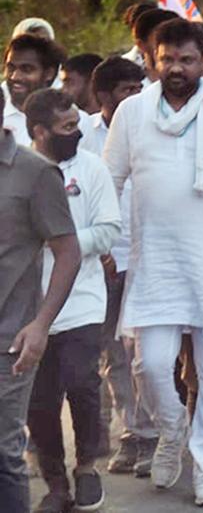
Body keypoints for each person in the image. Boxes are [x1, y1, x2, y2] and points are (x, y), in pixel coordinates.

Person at [102, 19, 203, 505]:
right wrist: (108, 247)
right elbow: (109, 181)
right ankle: (172, 430)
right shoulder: (132, 113)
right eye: (167, 59)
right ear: (152, 59)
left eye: (187, 59)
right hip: (156, 262)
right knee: (150, 365)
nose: (176, 68)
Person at [23, 89, 120, 513]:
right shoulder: (18, 173)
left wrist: (60, 243)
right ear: (39, 132)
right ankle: (55, 482)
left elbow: (107, 231)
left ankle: (86, 467)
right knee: (39, 400)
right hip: (27, 308)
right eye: (67, 128)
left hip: (81, 298)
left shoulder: (92, 169)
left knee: (82, 383)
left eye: (77, 124)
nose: (77, 133)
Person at [0, 88, 81, 512]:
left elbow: (68, 251)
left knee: (2, 452)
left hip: (9, 341)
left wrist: (41, 324)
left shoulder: (34, 173)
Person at [80, 57, 156, 479]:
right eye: (127, 90)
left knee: (143, 351)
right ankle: (132, 434)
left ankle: (151, 435)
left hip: (149, 255)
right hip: (105, 259)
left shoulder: (152, 129)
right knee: (113, 354)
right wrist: (99, 246)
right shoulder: (84, 135)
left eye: (139, 88)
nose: (136, 97)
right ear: (103, 96)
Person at [4, 34, 79, 147]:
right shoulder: (3, 116)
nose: (15, 77)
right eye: (11, 68)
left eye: (26, 69)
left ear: (49, 73)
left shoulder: (74, 119)